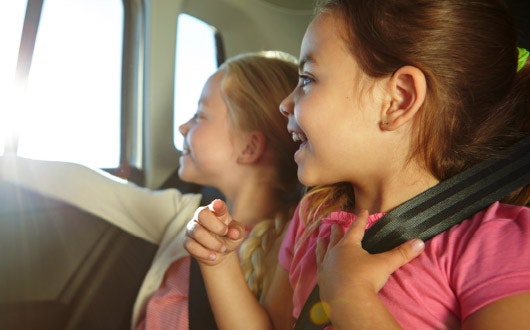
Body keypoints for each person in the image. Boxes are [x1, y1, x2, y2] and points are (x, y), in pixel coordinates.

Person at [185, 0, 530, 328]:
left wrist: (350, 297)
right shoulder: (314, 214)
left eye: (307, 80)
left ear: (399, 100)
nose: (285, 104)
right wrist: (217, 262)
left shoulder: (493, 246)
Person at [0, 51, 304, 329]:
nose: (183, 128)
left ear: (250, 147)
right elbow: (80, 183)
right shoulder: (180, 214)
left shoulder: (290, 245)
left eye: (199, 115)